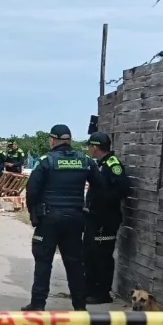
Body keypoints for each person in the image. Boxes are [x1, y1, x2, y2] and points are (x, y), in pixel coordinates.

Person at [22, 124, 105, 312]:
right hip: (75, 218)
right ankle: (80, 306)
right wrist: (88, 208)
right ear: (70, 140)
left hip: (49, 218)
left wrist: (34, 215)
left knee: (43, 261)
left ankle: (37, 304)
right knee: (75, 263)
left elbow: (32, 191)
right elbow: (100, 186)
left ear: (52, 140)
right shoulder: (84, 160)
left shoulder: (45, 161)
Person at [84, 132, 131, 305]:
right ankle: (89, 289)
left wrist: (102, 204)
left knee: (102, 256)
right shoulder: (100, 164)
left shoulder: (113, 165)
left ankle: (102, 293)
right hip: (94, 217)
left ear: (95, 147)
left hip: (106, 219)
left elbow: (123, 189)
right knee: (89, 254)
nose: (89, 149)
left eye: (90, 146)